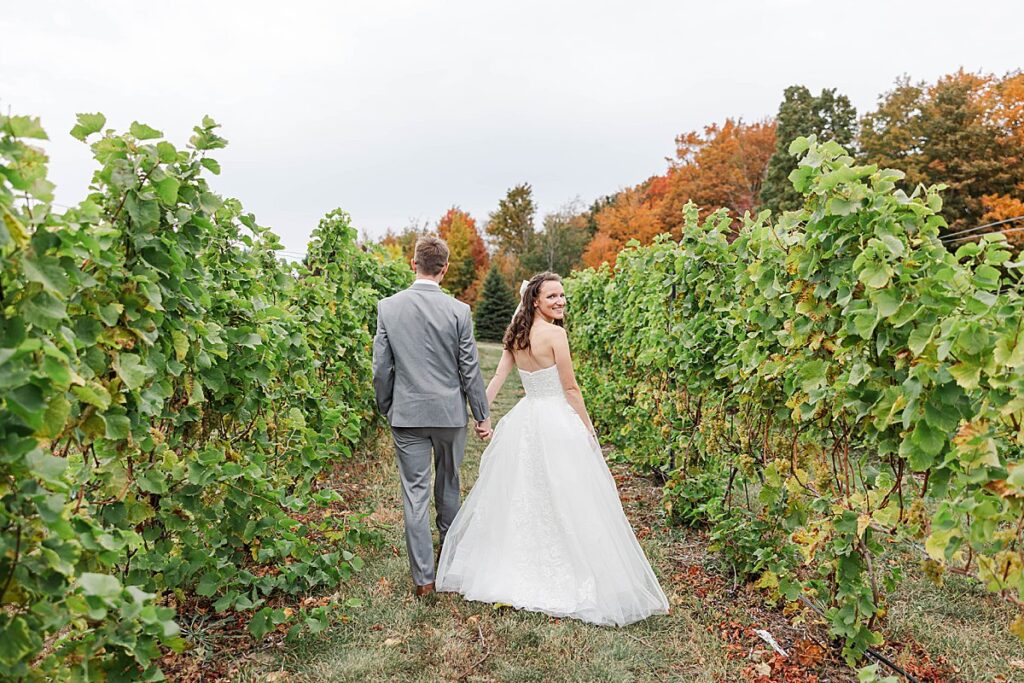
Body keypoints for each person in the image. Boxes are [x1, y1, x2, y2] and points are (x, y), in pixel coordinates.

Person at [435, 271, 669, 626]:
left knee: (527, 493)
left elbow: (498, 379)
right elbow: (571, 389)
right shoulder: (556, 335)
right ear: (535, 301)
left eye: (562, 296)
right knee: (564, 493)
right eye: (552, 297)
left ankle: (518, 565)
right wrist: (589, 430)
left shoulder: (517, 335)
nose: (560, 301)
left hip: (527, 417)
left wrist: (483, 415)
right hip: (555, 418)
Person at [372, 236, 492, 598]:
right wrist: (481, 413)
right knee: (449, 485)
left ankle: (424, 579)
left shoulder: (388, 307)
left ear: (413, 264)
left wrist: (387, 405)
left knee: (415, 495)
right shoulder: (459, 311)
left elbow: (381, 368)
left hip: (407, 414)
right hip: (449, 414)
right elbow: (469, 369)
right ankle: (451, 562)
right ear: (445, 268)